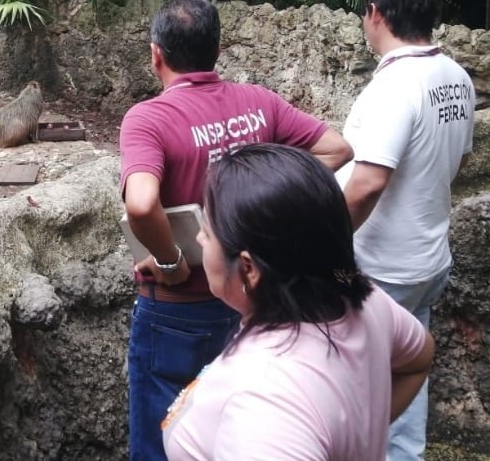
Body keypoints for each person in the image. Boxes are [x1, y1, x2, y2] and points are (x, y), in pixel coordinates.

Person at [120, 0, 353, 461]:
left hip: (178, 308)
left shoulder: (148, 118)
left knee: (161, 438)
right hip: (256, 301)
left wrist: (169, 261)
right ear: (217, 50)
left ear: (156, 54)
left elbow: (142, 204)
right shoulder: (257, 102)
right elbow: (337, 150)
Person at [162, 143, 435, 460]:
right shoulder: (359, 296)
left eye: (207, 233)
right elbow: (418, 359)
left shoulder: (265, 401)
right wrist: (357, 436)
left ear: (249, 269)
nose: (198, 239)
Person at [338, 0, 475, 461]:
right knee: (408, 372)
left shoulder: (396, 87)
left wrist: (324, 244)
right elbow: (455, 163)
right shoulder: (456, 77)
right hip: (427, 260)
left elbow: (368, 183)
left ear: (375, 14)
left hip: (379, 269)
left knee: (361, 389)